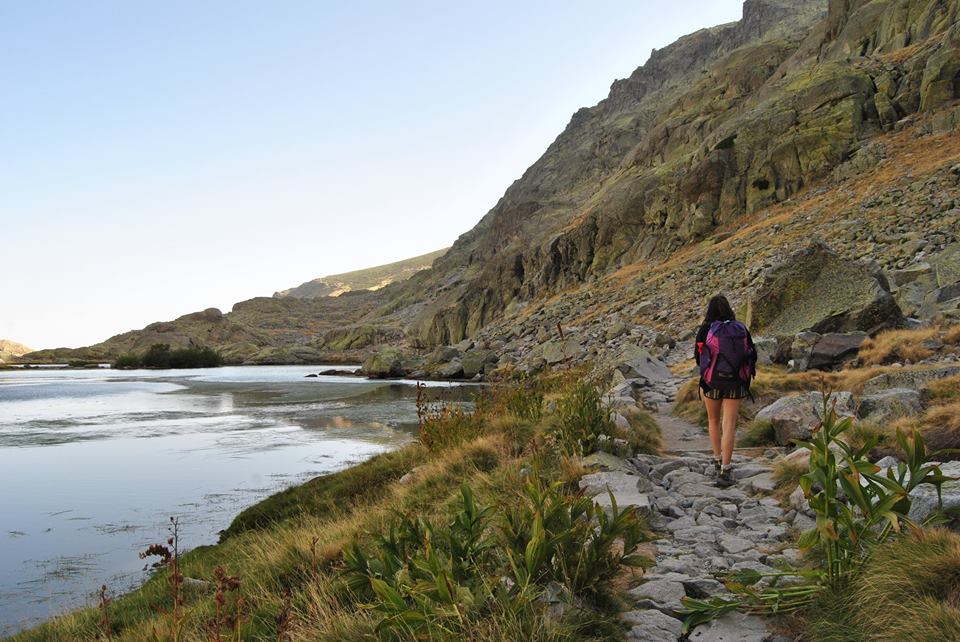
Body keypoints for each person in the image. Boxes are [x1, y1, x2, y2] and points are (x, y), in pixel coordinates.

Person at [693, 295, 757, 488]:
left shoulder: (705, 329)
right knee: (729, 424)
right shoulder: (740, 328)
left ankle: (716, 459)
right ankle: (726, 470)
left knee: (713, 420)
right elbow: (752, 354)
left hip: (711, 383)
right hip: (736, 383)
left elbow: (698, 358)